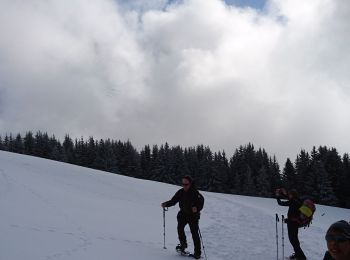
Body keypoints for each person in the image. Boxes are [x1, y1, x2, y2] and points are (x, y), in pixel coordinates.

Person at [161, 175, 204, 259]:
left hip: (193, 216)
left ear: (190, 184)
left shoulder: (196, 193)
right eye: (183, 184)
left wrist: (197, 208)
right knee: (180, 229)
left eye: (186, 184)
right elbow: (173, 201)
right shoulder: (180, 192)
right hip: (183, 214)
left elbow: (201, 202)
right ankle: (183, 245)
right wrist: (166, 204)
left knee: (194, 233)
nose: (184, 186)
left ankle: (197, 253)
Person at [276, 188, 306, 260]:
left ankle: (302, 257)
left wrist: (277, 196)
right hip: (295, 223)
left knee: (293, 240)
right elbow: (295, 212)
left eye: (289, 194)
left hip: (292, 224)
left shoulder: (293, 201)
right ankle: (297, 255)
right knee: (295, 240)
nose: (288, 196)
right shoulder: (298, 200)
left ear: (292, 195)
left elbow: (280, 203)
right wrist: (283, 194)